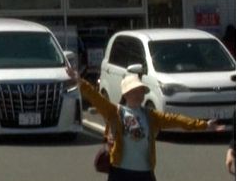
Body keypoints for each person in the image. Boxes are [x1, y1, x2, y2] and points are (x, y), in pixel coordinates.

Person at [66, 66, 226, 180]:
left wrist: (204, 125)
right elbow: (95, 97)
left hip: (145, 173)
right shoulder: (114, 111)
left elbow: (176, 119)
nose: (140, 94)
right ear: (127, 93)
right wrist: (79, 81)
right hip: (120, 172)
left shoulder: (150, 116)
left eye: (141, 91)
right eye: (136, 91)